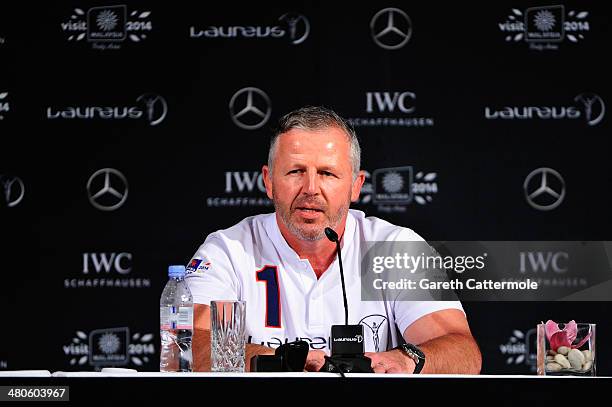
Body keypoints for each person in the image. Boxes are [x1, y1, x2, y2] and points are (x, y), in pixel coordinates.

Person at [186, 106, 481, 374]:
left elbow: (463, 352)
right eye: (295, 171)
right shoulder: (228, 250)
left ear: (356, 186)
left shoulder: (395, 247)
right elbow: (189, 345)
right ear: (269, 181)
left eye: (327, 173)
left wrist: (406, 358)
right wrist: (278, 360)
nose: (311, 188)